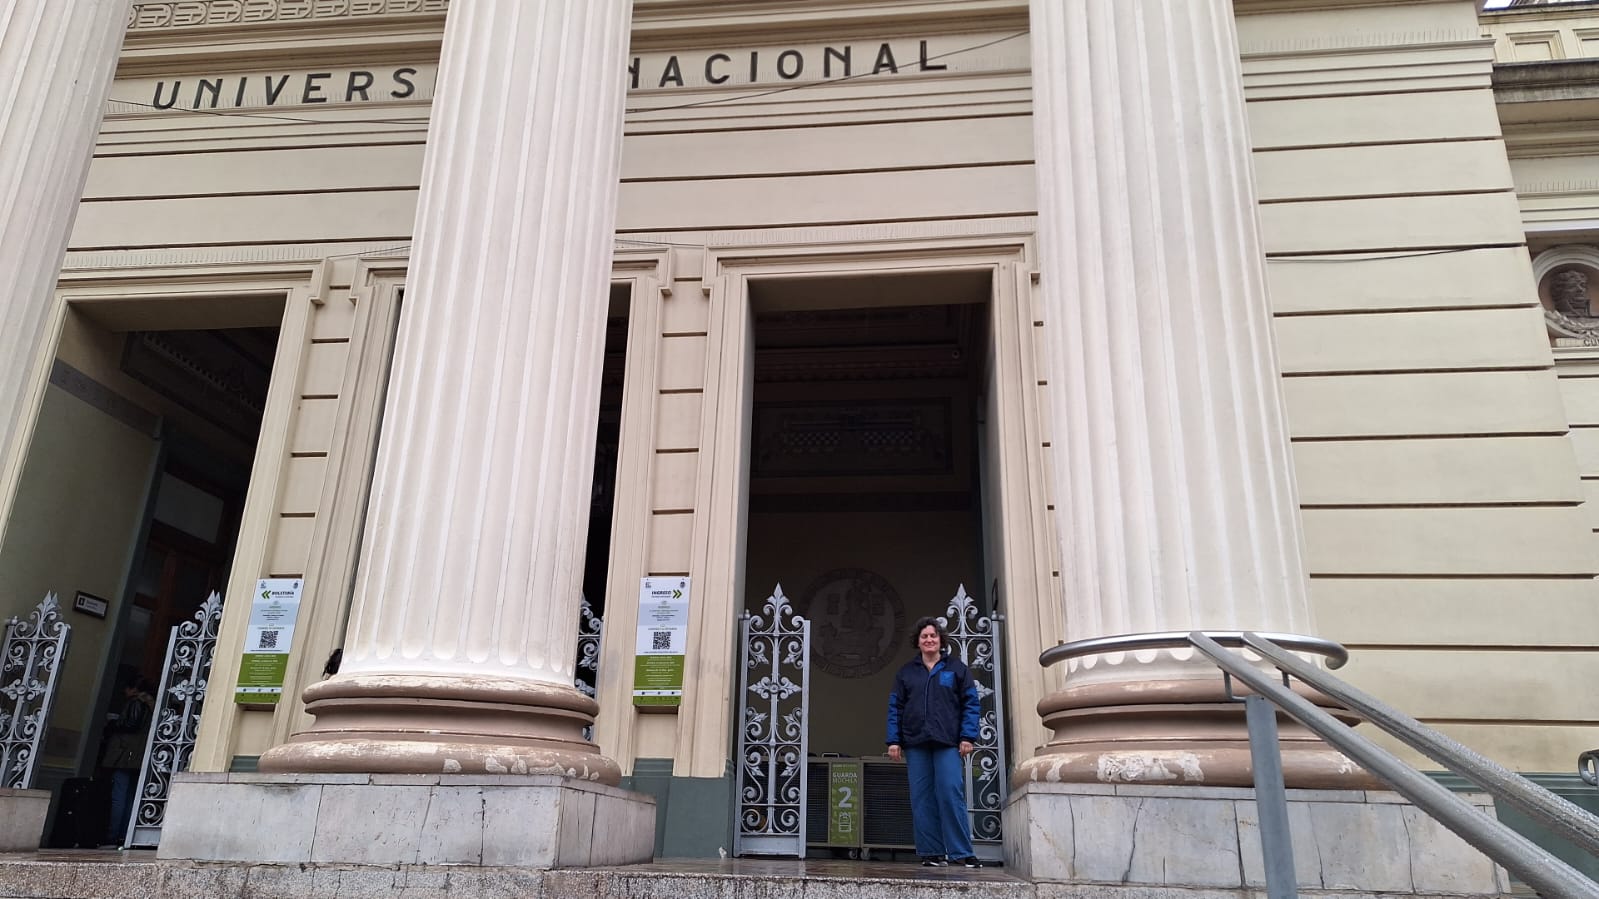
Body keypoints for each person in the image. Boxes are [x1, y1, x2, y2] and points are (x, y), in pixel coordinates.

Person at [885, 616, 982, 868]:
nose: (929, 640)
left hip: (947, 741)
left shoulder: (956, 668)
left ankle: (962, 852)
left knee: (951, 792)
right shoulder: (906, 673)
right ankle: (932, 852)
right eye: (924, 636)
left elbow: (971, 703)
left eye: (933, 636)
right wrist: (893, 740)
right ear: (918, 642)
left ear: (941, 640)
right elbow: (895, 707)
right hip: (916, 743)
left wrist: (967, 736)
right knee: (922, 797)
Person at [99, 675, 154, 848]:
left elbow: (131, 725)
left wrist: (113, 724)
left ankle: (113, 836)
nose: (124, 691)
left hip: (125, 753)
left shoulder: (135, 703)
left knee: (120, 795)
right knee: (131, 795)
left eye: (126, 688)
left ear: (133, 689)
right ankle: (126, 835)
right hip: (139, 754)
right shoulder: (151, 704)